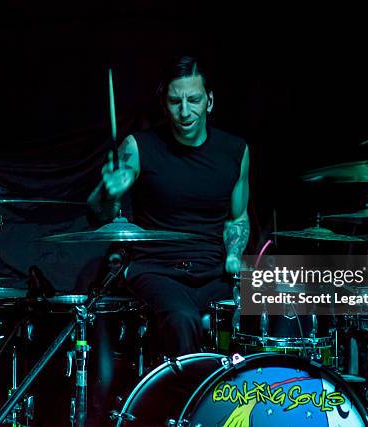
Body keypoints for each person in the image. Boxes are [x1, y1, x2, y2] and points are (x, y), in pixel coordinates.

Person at [88, 55, 250, 356]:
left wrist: (234, 254)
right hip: (156, 271)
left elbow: (237, 217)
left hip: (214, 273)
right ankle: (190, 401)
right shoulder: (138, 146)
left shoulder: (235, 151)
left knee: (279, 305)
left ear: (210, 101)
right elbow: (97, 213)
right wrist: (108, 191)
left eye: (194, 100)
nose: (185, 111)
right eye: (175, 101)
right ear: (165, 104)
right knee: (182, 318)